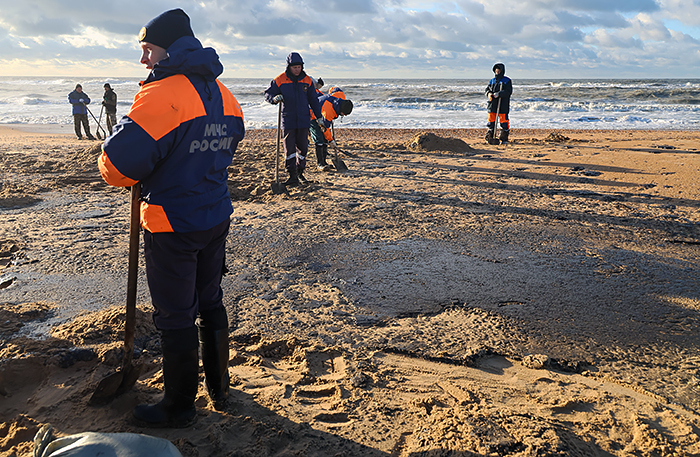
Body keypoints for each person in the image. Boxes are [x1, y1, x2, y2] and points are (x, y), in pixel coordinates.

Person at [98, 8, 245, 428]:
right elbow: (231, 141)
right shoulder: (222, 92)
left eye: (147, 50)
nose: (143, 60)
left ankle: (179, 406)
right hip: (215, 215)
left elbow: (117, 167)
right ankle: (220, 387)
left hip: (172, 222)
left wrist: (112, 152)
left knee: (176, 314)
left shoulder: (163, 94)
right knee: (210, 300)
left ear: (168, 48)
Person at [264, 52, 323, 186]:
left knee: (303, 148)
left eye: (299, 67)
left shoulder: (307, 80)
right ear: (289, 67)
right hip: (288, 119)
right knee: (289, 148)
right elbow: (268, 93)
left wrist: (319, 117)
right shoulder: (280, 79)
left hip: (303, 119)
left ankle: (300, 172)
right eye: (294, 67)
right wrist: (274, 99)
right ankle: (292, 175)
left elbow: (313, 100)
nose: (297, 70)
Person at [309, 87, 353, 171]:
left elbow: (334, 89)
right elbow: (325, 129)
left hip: (322, 112)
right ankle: (320, 164)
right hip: (311, 115)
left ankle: (324, 162)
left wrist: (329, 94)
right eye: (344, 114)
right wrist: (331, 141)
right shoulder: (329, 112)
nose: (345, 115)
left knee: (325, 140)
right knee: (319, 139)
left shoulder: (341, 96)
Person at [485, 63, 513, 144]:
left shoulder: (507, 80)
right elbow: (487, 89)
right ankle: (490, 136)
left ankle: (504, 137)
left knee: (504, 121)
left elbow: (508, 91)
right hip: (492, 104)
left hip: (502, 104)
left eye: (499, 70)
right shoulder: (492, 81)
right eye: (496, 70)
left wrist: (499, 94)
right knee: (491, 121)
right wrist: (489, 93)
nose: (497, 72)